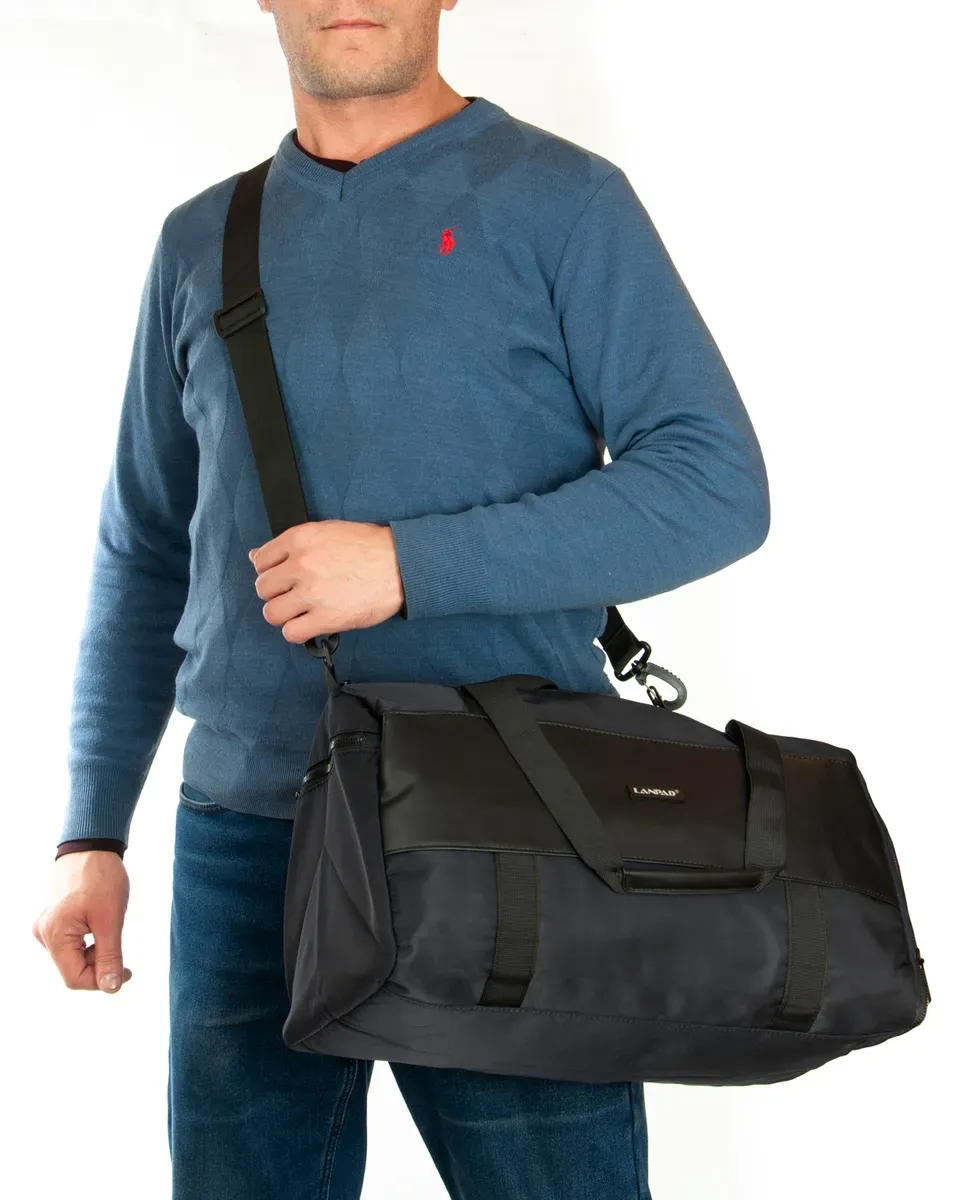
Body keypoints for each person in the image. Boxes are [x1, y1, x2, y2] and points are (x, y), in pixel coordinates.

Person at [32, 2, 770, 1197]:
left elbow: (715, 487)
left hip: (512, 822)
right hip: (247, 835)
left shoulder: (565, 204)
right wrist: (90, 833)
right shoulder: (200, 241)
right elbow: (146, 549)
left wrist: (407, 565)